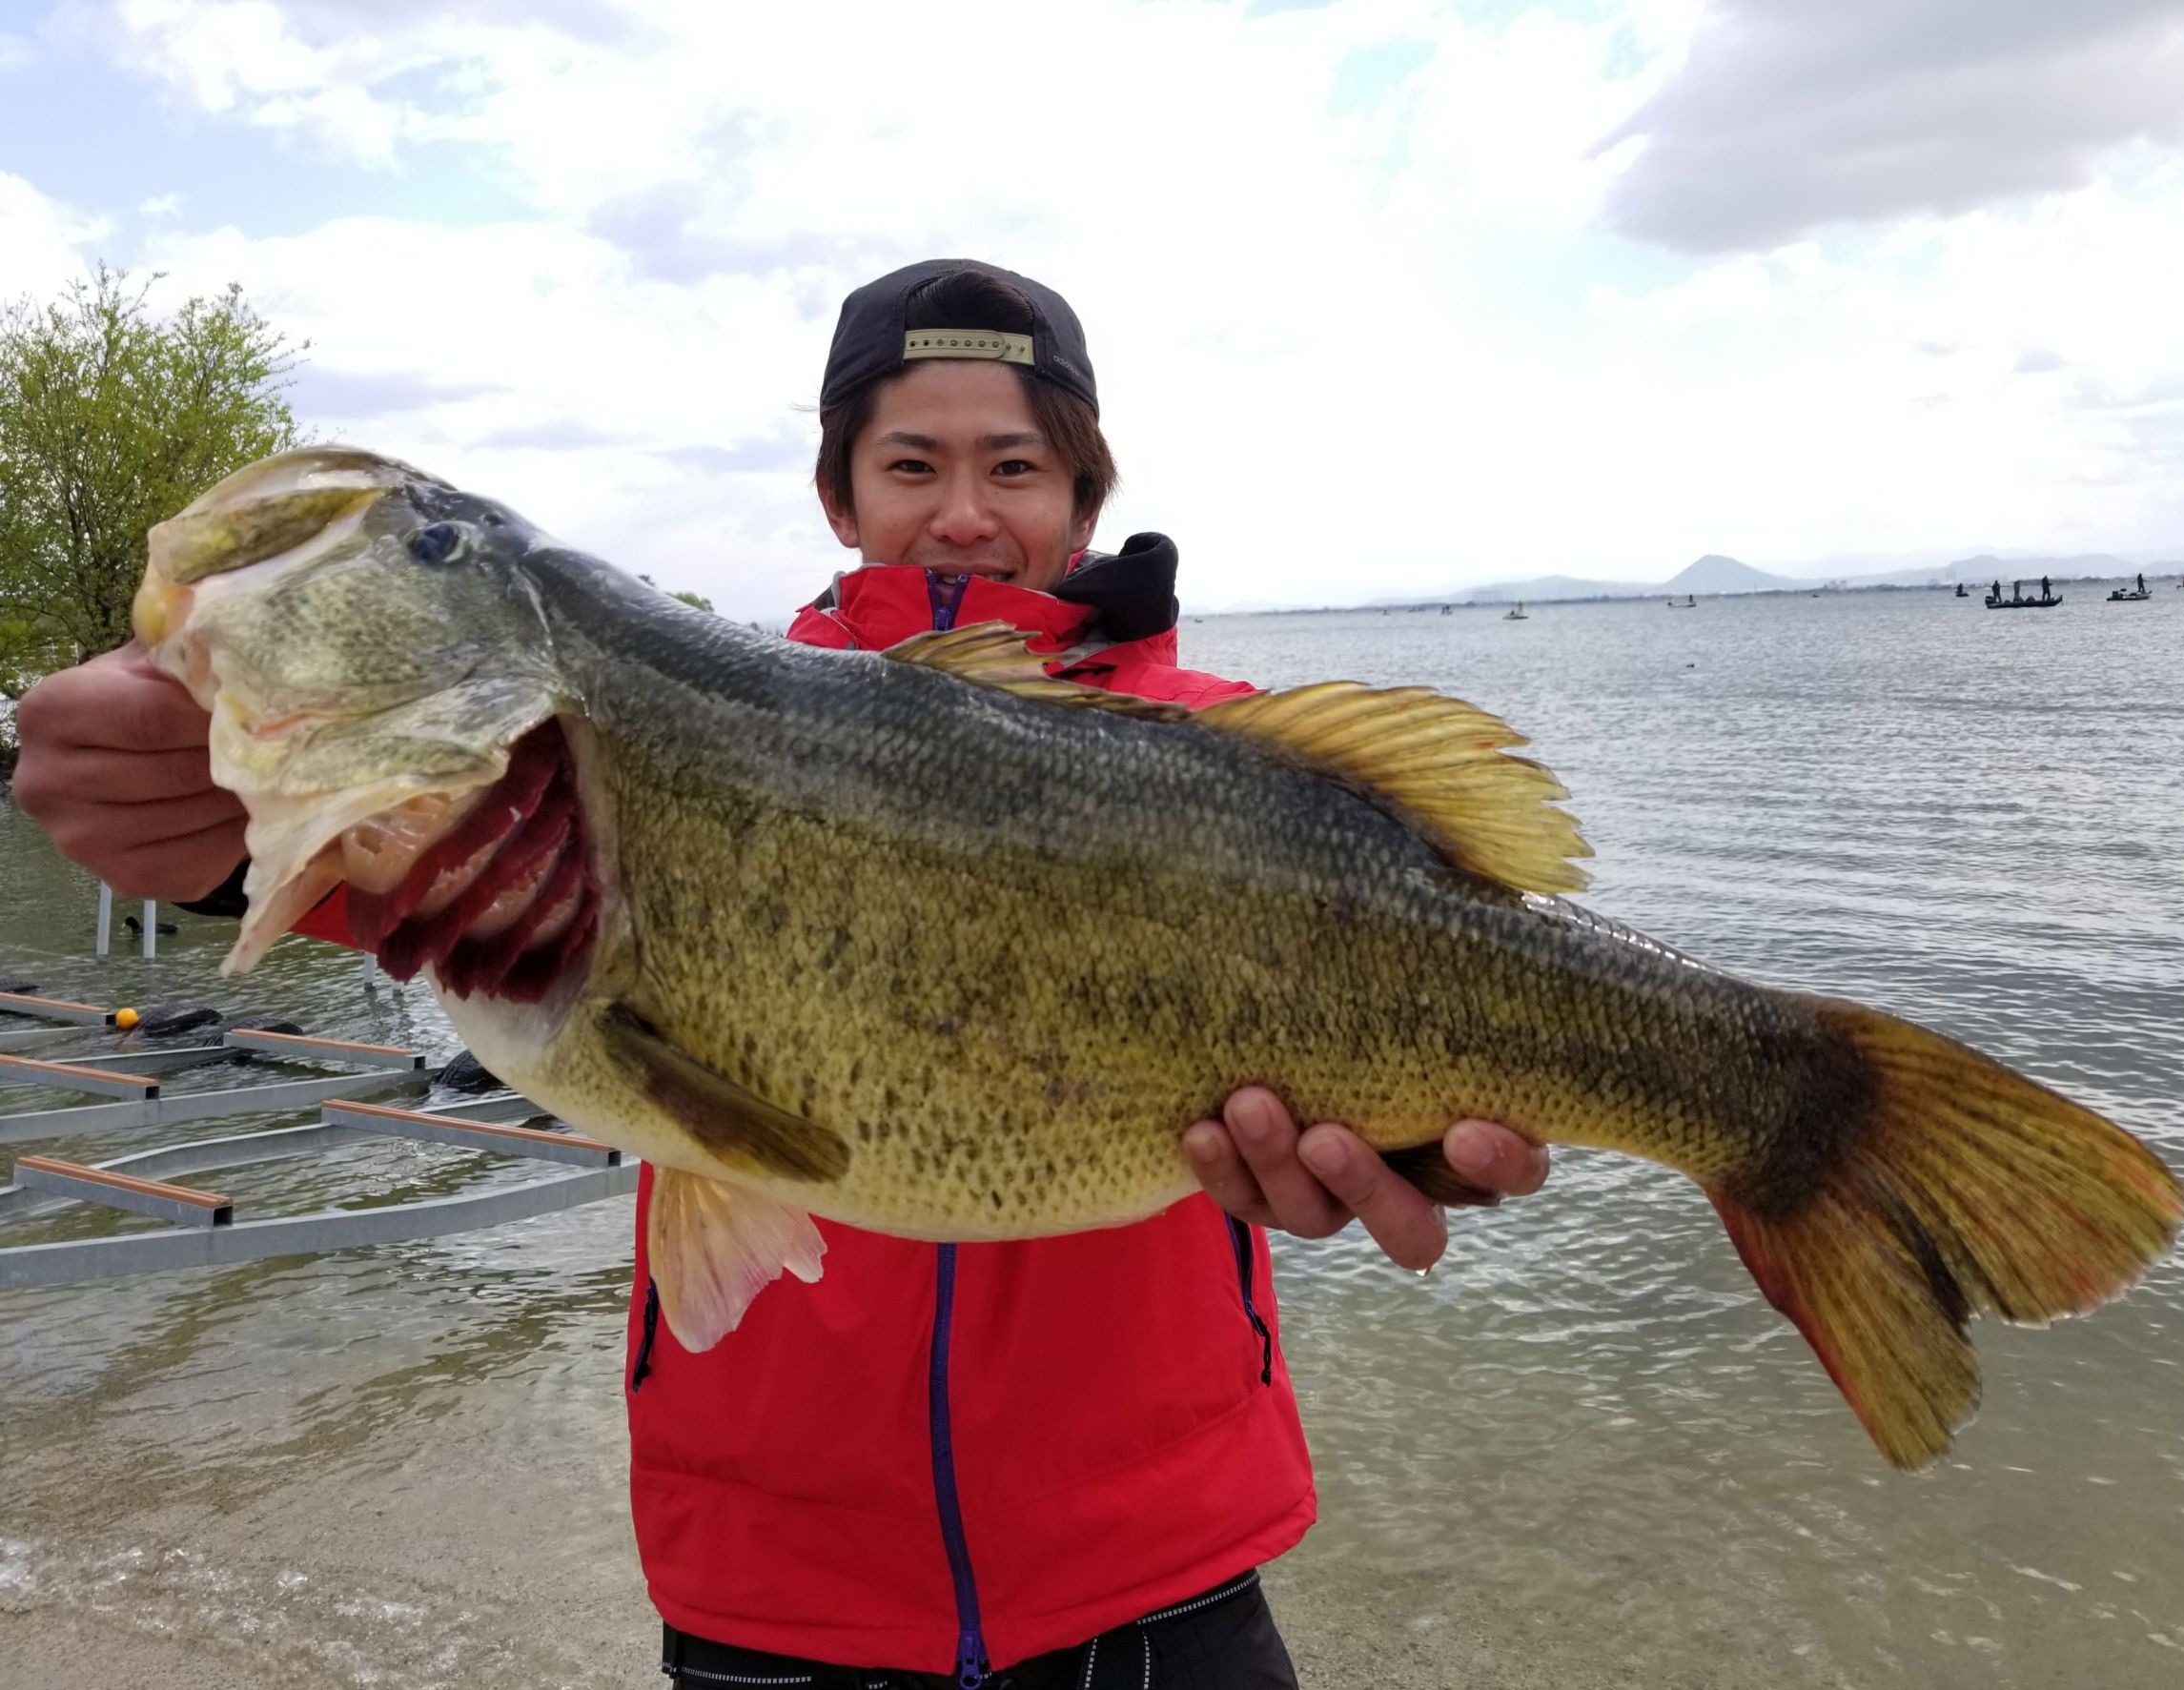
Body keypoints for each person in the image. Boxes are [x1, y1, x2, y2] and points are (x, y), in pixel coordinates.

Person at [12, 259, 1548, 1688]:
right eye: (911, 463)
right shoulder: (631, 743)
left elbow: (1427, 985)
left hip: (1162, 1562)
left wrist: (1423, 1140)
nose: (963, 512)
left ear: (1084, 499)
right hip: (771, 1576)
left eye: (1016, 467)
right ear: (837, 492)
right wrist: (186, 817)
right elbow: (399, 875)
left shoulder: (1223, 757)